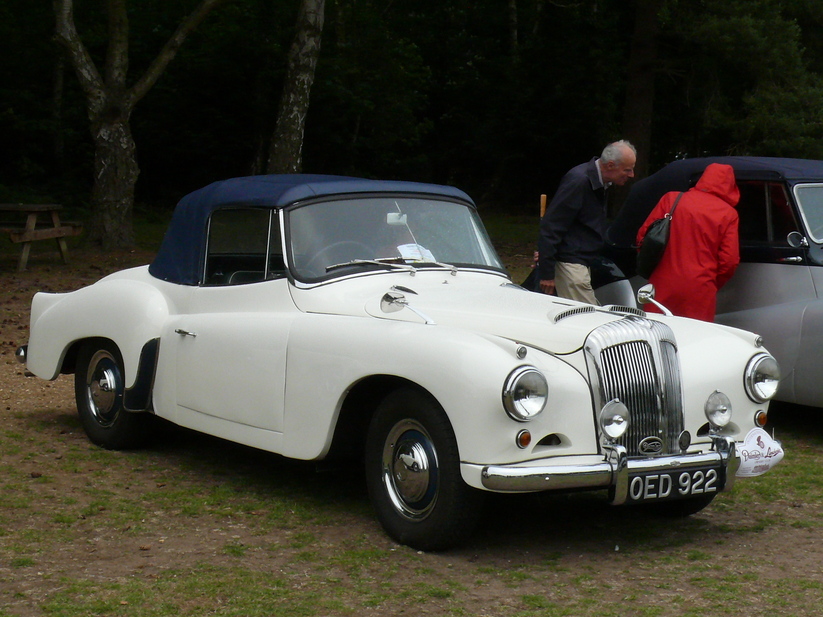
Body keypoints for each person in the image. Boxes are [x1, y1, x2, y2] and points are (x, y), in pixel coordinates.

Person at [635, 162, 740, 321]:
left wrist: (653, 267)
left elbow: (643, 237)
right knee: (693, 340)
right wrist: (711, 283)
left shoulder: (672, 199)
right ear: (730, 186)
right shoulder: (728, 214)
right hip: (700, 290)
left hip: (662, 284)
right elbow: (729, 261)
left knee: (656, 335)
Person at [537, 140, 637, 304]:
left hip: (579, 263)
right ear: (610, 165)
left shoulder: (600, 182)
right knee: (589, 319)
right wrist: (547, 272)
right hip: (570, 265)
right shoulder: (579, 182)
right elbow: (551, 226)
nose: (632, 174)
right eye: (627, 170)